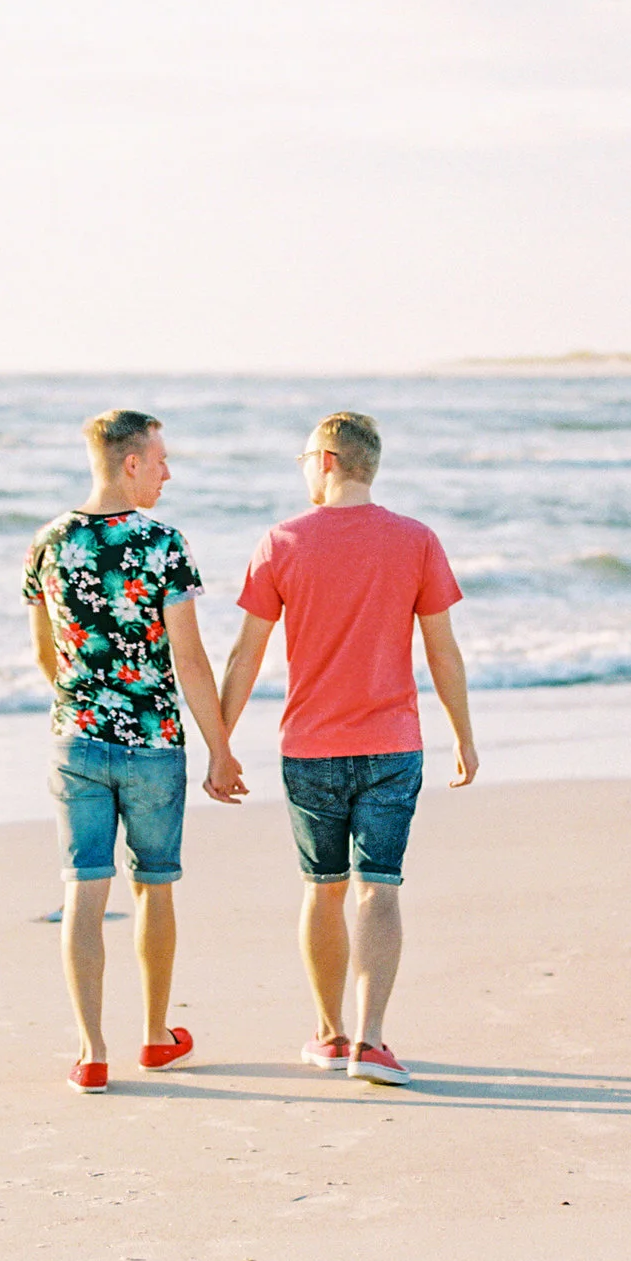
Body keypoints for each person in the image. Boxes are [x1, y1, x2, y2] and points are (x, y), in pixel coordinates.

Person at [218, 412, 475, 1086]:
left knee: (324, 890)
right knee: (380, 889)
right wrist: (464, 736)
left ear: (327, 460)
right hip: (394, 744)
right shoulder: (416, 539)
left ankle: (330, 1034)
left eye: (305, 456)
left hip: (311, 749)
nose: (303, 468)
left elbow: (247, 652)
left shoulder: (282, 541)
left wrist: (219, 742)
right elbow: (441, 649)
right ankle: (372, 1040)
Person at [24, 410, 244, 1095]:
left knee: (84, 889)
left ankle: (91, 1054)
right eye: (160, 459)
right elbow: (191, 658)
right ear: (130, 463)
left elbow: (44, 653)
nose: (167, 472)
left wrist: (85, 705)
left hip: (77, 741)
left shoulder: (48, 541)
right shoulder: (161, 543)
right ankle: (153, 1037)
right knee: (154, 884)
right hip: (153, 744)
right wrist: (221, 750)